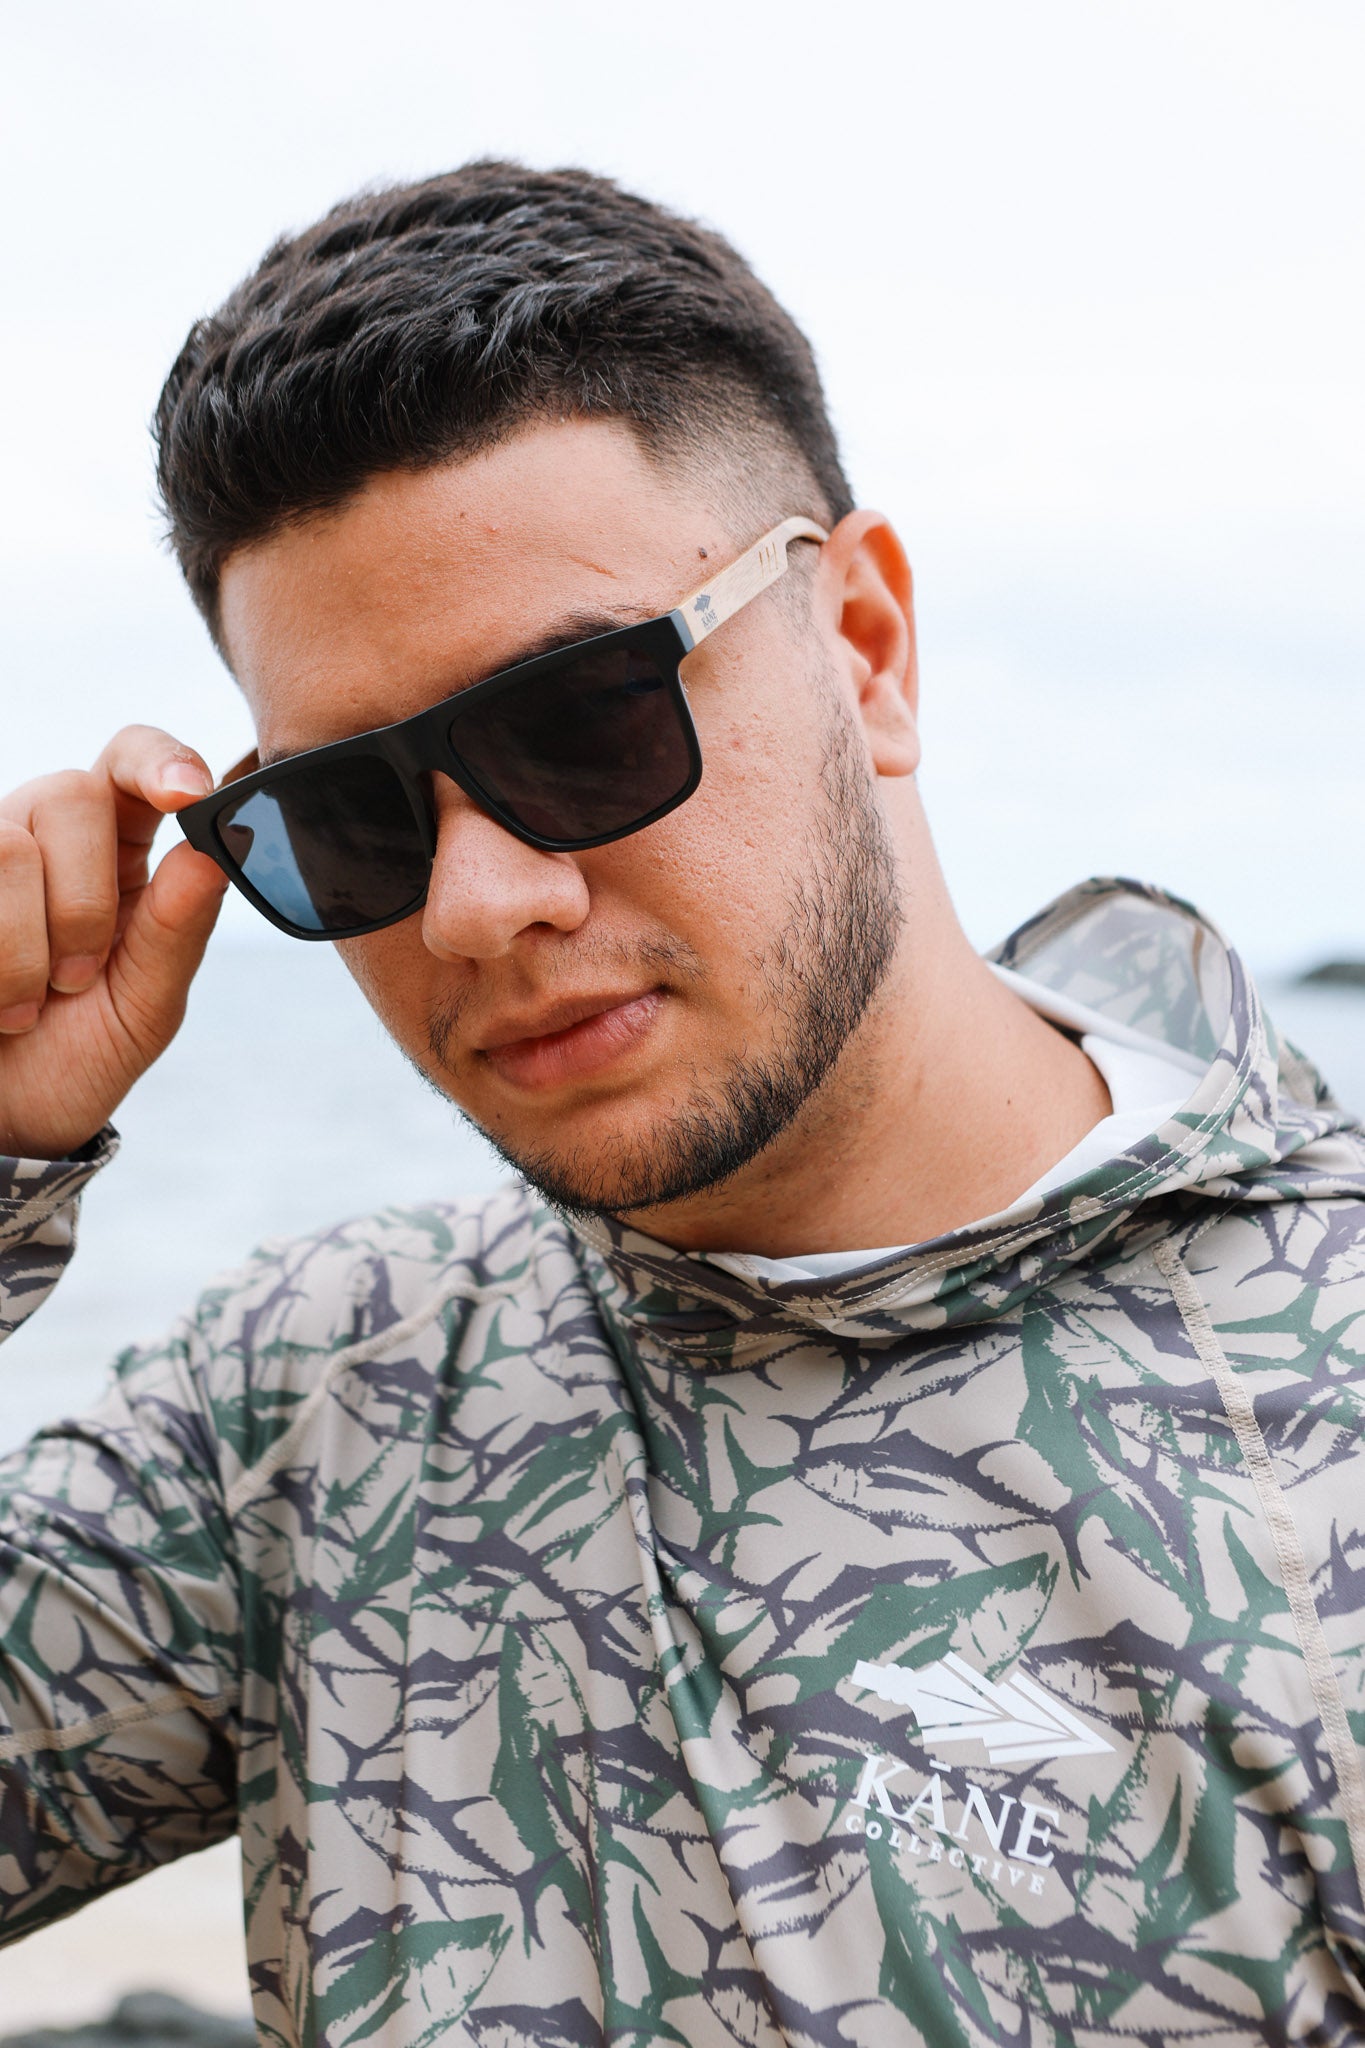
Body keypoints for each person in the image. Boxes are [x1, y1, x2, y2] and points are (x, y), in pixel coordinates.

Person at [1, 161, 1363, 2048]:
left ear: (861, 648)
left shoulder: (1321, 1402)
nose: (479, 904)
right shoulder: (317, 1401)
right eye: (351, 815)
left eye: (581, 721)